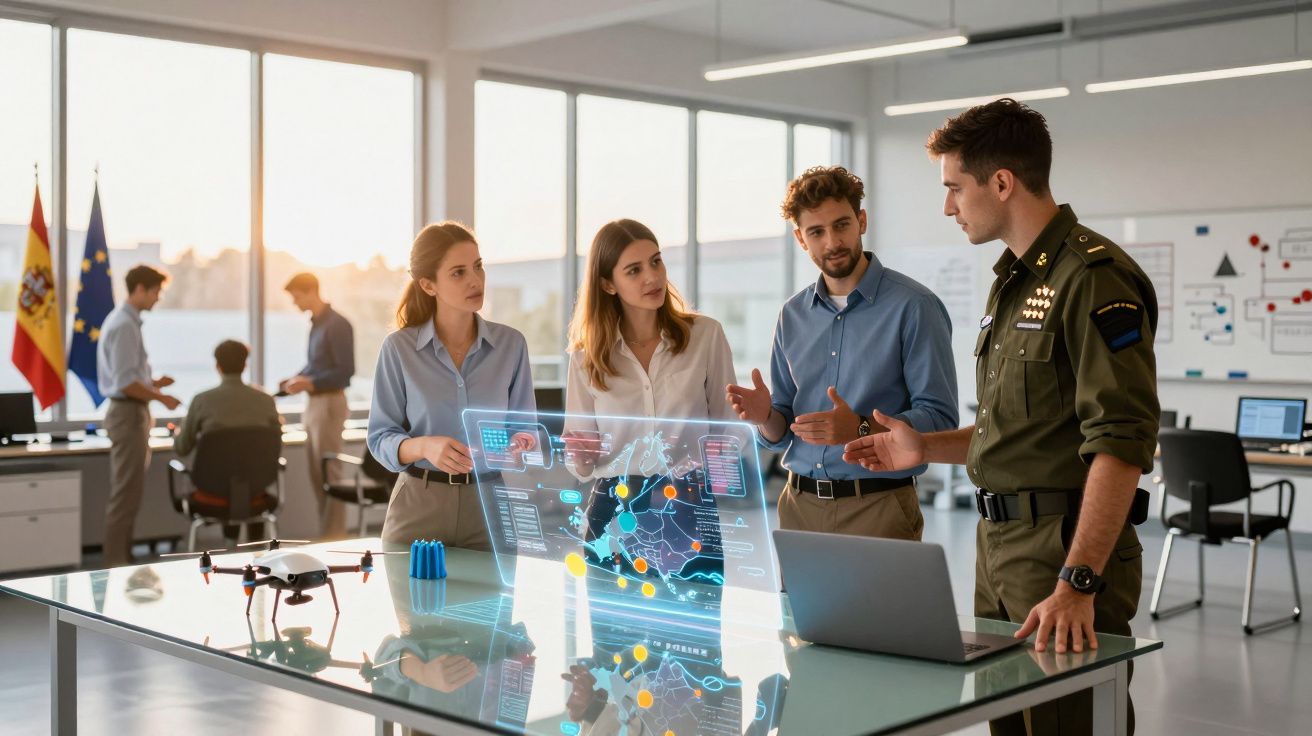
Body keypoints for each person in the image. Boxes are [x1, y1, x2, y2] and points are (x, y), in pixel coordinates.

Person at [843, 98, 1157, 736]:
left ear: (1002, 182)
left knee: (1070, 725)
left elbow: (1120, 445)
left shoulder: (1093, 278)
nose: (948, 206)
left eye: (954, 187)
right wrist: (922, 447)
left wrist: (1078, 579)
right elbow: (1013, 431)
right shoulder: (1012, 283)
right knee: (1011, 725)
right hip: (1000, 555)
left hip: (1061, 554)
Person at [726, 166, 958, 541]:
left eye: (841, 225)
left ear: (861, 221)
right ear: (801, 239)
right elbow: (784, 430)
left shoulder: (915, 306)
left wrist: (862, 427)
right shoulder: (792, 314)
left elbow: (940, 420)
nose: (832, 241)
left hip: (878, 506)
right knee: (797, 605)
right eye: (817, 232)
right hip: (798, 506)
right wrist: (765, 416)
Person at [563, 219, 738, 580]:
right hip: (612, 510)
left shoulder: (706, 336)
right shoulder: (586, 357)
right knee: (614, 635)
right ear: (608, 284)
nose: (652, 277)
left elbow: (728, 431)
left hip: (688, 504)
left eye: (656, 262)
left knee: (697, 632)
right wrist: (581, 456)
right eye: (634, 270)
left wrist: (719, 466)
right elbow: (577, 457)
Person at [367, 222, 536, 550]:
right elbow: (380, 437)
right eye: (458, 272)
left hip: (489, 503)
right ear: (429, 285)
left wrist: (519, 443)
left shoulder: (511, 345)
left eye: (478, 267)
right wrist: (425, 447)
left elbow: (525, 427)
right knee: (411, 602)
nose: (475, 280)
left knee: (494, 603)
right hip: (419, 502)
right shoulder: (398, 349)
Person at [96, 264, 181, 566]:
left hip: (132, 414)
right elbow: (125, 384)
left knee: (130, 496)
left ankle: (121, 561)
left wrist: (154, 383)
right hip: (127, 415)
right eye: (156, 291)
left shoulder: (128, 323)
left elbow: (130, 376)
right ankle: (115, 565)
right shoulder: (124, 325)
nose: (158, 298)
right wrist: (162, 397)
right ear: (141, 289)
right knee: (124, 497)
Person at [279, 272, 354, 538]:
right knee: (316, 474)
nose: (295, 303)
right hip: (313, 404)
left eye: (297, 297)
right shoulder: (316, 324)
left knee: (329, 472)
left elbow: (345, 372)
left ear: (311, 291)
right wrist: (293, 381)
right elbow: (315, 366)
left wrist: (309, 383)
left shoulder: (338, 324)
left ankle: (334, 535)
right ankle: (327, 533)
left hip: (329, 403)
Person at [173, 340, 281, 458]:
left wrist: (177, 431)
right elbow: (276, 444)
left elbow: (182, 448)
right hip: (256, 475)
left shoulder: (201, 401)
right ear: (245, 365)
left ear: (217, 366)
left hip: (214, 475)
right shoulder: (266, 400)